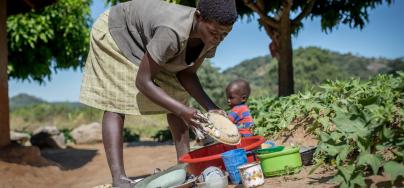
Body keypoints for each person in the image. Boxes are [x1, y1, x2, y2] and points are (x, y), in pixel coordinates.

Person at [79, 0, 237, 187]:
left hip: (149, 40)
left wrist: (212, 108)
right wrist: (182, 111)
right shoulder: (172, 31)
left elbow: (187, 74)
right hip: (118, 32)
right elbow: (143, 81)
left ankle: (186, 165)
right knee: (116, 101)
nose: (218, 39)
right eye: (214, 33)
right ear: (198, 17)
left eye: (224, 35)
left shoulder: (210, 36)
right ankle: (119, 178)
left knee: (178, 97)